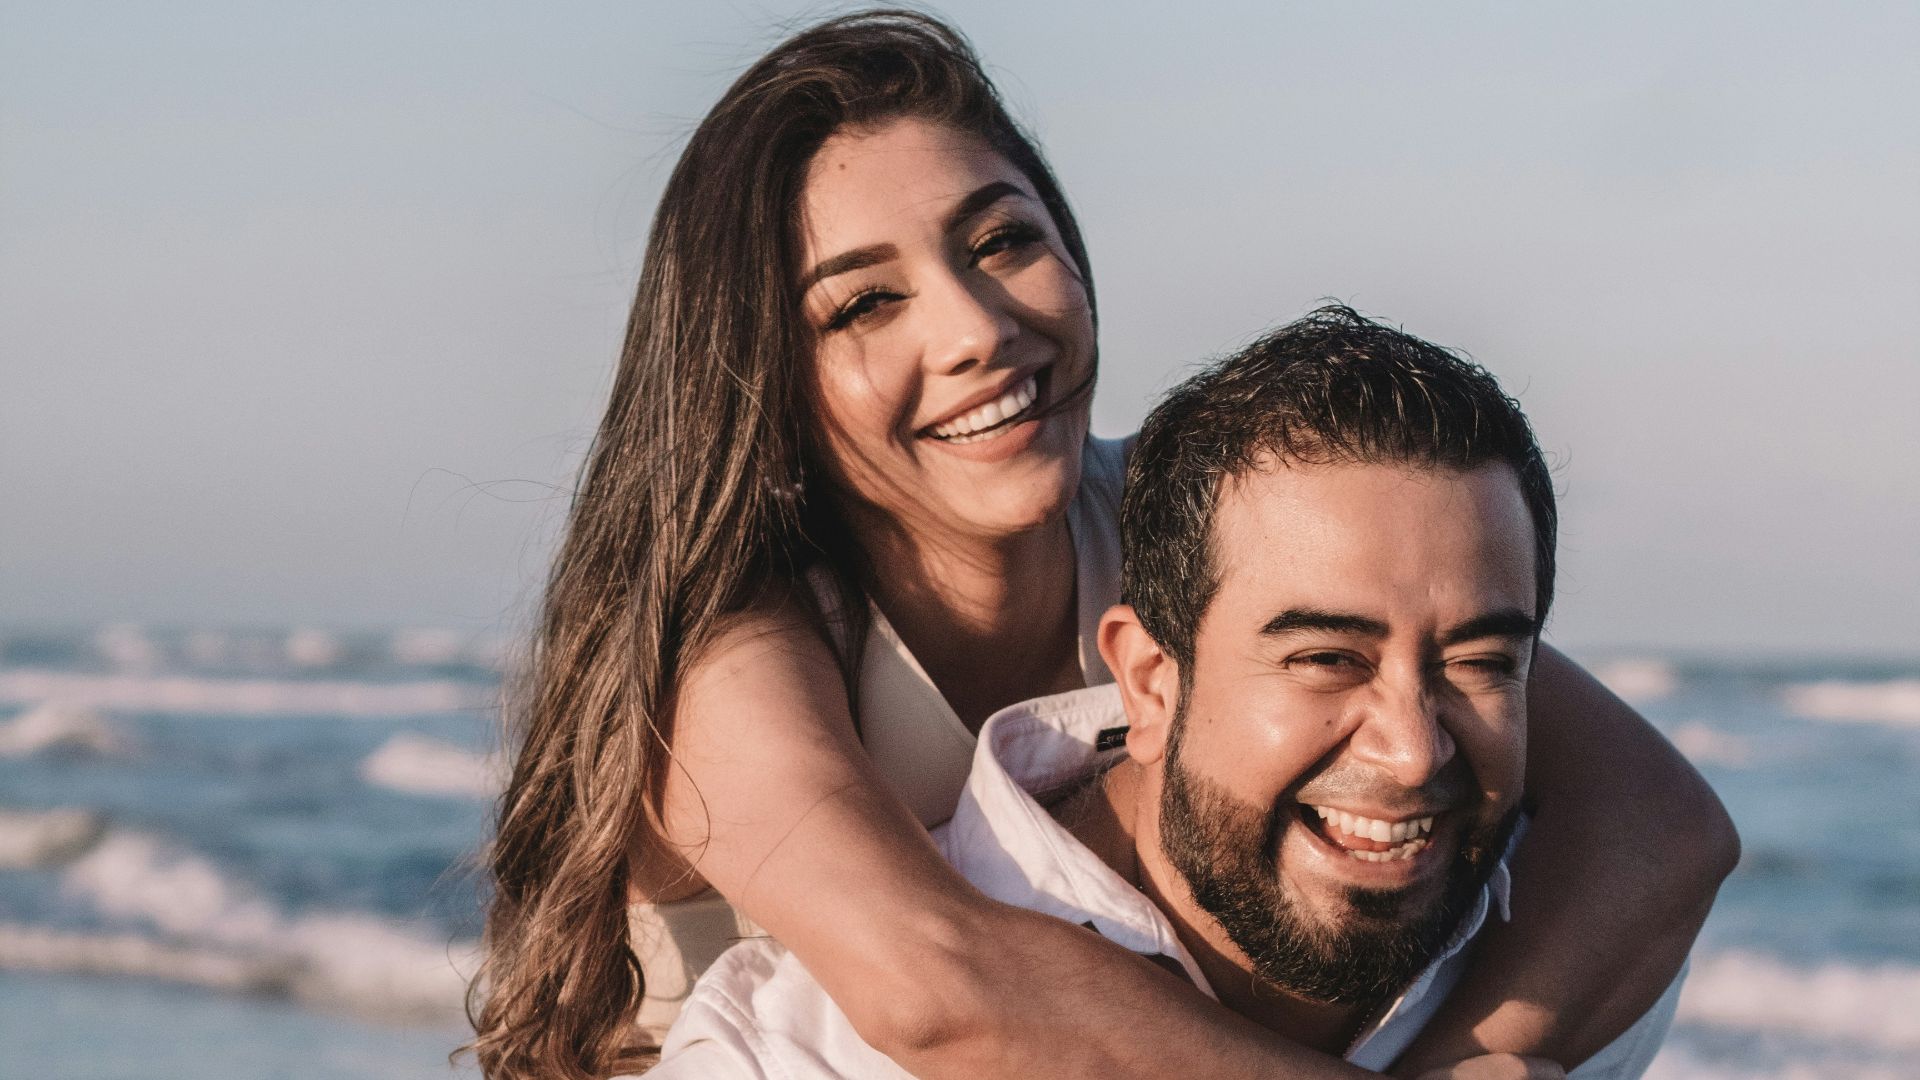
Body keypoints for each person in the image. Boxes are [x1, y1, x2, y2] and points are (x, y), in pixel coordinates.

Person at [470, 12, 1736, 1080]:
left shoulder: (1177, 521)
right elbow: (933, 985)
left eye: (1002, 240)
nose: (975, 326)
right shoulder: (741, 640)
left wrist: (1457, 1061)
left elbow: (1661, 828)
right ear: (765, 375)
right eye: (866, 302)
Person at [643, 307, 1689, 1079]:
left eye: (1479, 663)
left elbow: (1672, 836)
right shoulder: (795, 1059)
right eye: (1328, 657)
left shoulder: (1547, 968)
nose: (1413, 749)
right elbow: (929, 991)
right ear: (1147, 680)